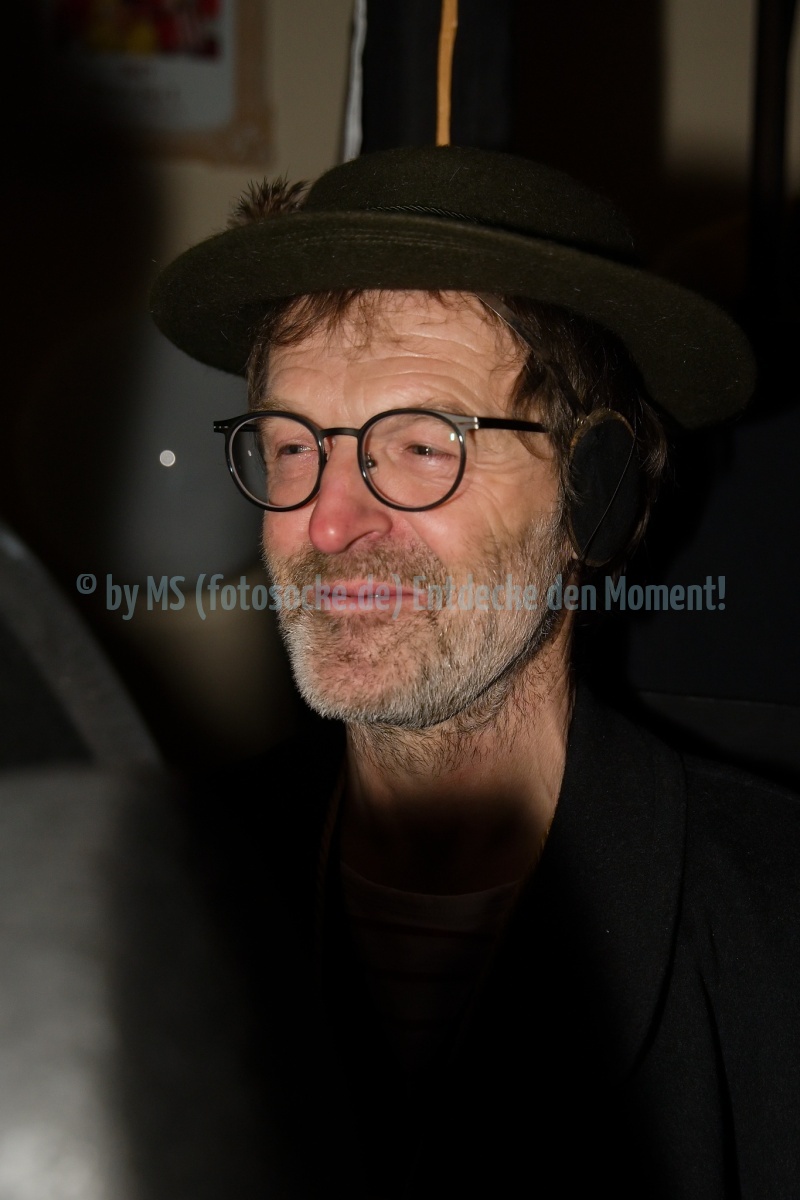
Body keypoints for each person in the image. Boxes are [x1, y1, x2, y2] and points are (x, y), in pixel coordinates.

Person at [151, 146, 800, 1198]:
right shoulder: (155, 889)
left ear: (594, 497)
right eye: (292, 446)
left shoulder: (772, 927)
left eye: (420, 447)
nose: (328, 523)